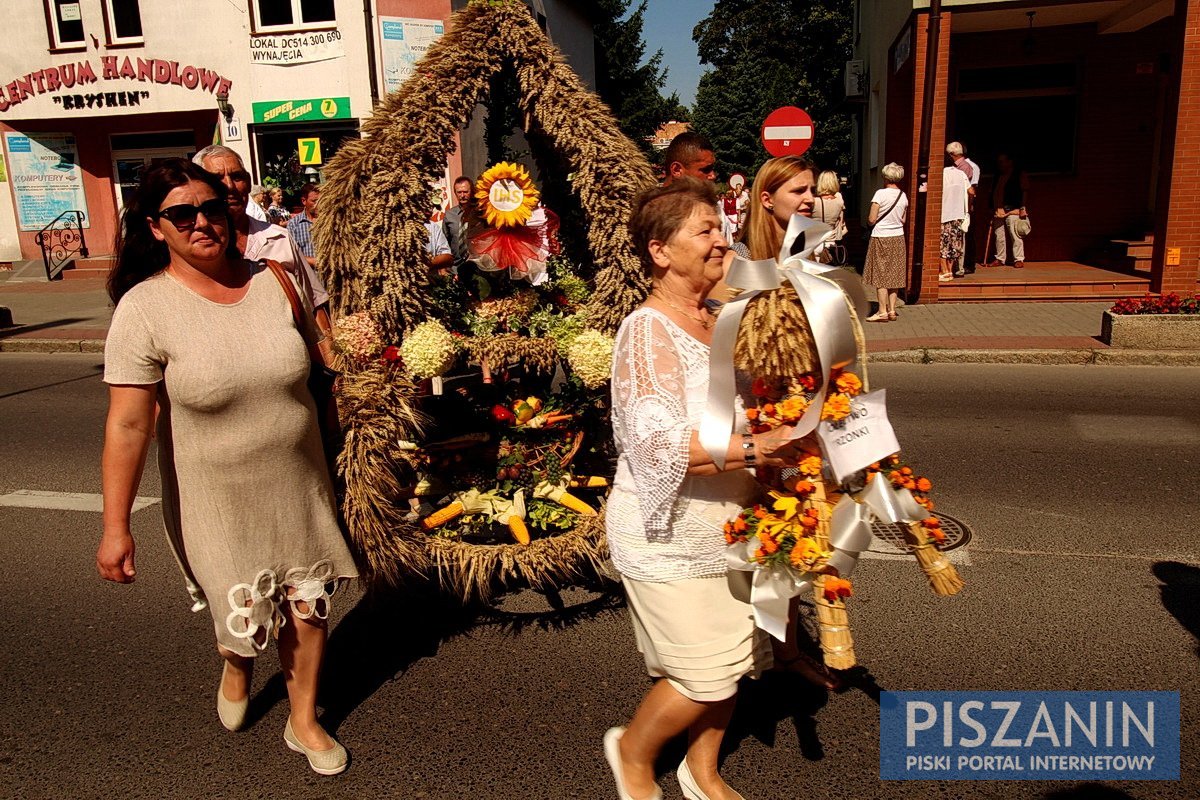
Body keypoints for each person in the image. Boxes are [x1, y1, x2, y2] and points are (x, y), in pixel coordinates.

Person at [97, 158, 357, 775]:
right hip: (212, 496)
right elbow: (128, 425)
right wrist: (116, 526)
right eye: (181, 214)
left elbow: (326, 359)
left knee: (309, 602)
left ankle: (304, 720)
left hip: (299, 481)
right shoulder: (144, 308)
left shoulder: (279, 279)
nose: (201, 222)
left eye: (211, 207)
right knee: (244, 619)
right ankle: (237, 661)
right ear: (156, 228)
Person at [605, 177, 804, 800]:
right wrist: (756, 448)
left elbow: (759, 403)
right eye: (705, 231)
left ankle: (702, 769)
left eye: (721, 227)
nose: (722, 241)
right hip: (667, 536)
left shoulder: (722, 319)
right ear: (660, 252)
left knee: (740, 662)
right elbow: (657, 448)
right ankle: (633, 754)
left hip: (735, 527)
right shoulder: (647, 331)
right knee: (703, 677)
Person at [192, 146, 332, 355]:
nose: (229, 186)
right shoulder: (191, 247)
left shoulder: (278, 238)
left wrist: (332, 366)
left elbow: (314, 306)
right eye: (217, 178)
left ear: (248, 182)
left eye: (237, 176)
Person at [662, 131, 735, 244]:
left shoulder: (716, 209)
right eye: (705, 169)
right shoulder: (649, 212)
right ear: (677, 170)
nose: (713, 175)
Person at [863, 163, 908, 322]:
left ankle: (881, 311)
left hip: (881, 237)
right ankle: (892, 310)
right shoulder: (903, 195)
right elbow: (903, 220)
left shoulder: (880, 194)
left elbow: (871, 219)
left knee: (881, 275)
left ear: (885, 177)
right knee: (894, 274)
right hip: (898, 237)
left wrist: (870, 224)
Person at [988, 152, 1029, 268]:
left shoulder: (1018, 174)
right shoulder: (997, 176)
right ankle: (1000, 259)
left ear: (1009, 162)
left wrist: (1022, 207)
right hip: (998, 210)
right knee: (999, 235)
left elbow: (1024, 191)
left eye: (1002, 161)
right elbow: (992, 192)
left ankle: (1019, 258)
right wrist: (991, 208)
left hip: (1012, 209)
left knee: (1015, 234)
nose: (1000, 164)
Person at [939, 162, 972, 282]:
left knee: (942, 244)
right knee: (954, 245)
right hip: (958, 215)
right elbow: (971, 191)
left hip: (944, 215)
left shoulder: (941, 173)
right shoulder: (961, 174)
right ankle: (950, 270)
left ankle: (944, 271)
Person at [812, 170, 848, 258]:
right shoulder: (839, 201)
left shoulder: (813, 202)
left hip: (814, 243)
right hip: (831, 244)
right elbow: (841, 223)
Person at [441, 176, 474, 270]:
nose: (462, 195)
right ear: (455, 193)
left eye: (465, 192)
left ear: (471, 192)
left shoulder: (479, 214)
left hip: (477, 267)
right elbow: (444, 243)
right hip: (455, 268)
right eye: (459, 192)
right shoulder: (449, 215)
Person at [288, 183, 320, 269]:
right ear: (304, 201)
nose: (318, 204)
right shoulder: (294, 224)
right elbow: (291, 254)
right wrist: (314, 261)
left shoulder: (330, 222)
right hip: (309, 277)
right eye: (314, 201)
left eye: (321, 200)